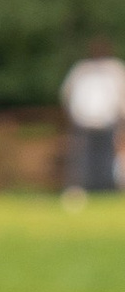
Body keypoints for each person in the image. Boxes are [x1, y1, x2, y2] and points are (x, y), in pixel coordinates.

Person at [59, 40, 123, 201]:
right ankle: (82, 189)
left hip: (108, 123)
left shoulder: (115, 69)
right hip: (83, 123)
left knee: (106, 159)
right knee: (82, 159)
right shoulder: (81, 70)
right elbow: (67, 93)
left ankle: (106, 189)